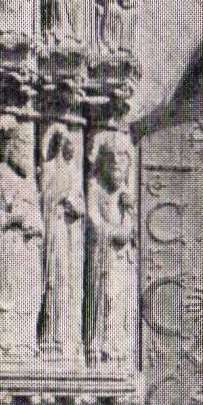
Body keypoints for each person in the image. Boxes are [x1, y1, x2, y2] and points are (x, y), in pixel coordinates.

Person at [0, 120, 44, 362]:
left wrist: (35, 225)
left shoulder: (29, 181)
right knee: (6, 293)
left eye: (30, 148)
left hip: (29, 247)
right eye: (23, 147)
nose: (27, 154)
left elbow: (39, 218)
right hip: (7, 243)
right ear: (10, 147)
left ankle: (25, 344)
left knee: (30, 293)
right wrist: (14, 219)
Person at [86, 140, 136, 365]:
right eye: (111, 158)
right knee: (106, 298)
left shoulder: (125, 195)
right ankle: (101, 349)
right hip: (103, 258)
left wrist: (128, 211)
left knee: (121, 302)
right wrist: (113, 233)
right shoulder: (95, 189)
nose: (116, 162)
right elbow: (94, 222)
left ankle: (118, 349)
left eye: (122, 159)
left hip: (121, 260)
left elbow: (127, 233)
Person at [40, 126, 86, 361]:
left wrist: (75, 207)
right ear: (60, 145)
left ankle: (70, 341)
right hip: (56, 229)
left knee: (71, 282)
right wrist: (60, 201)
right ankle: (52, 340)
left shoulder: (76, 173)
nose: (74, 149)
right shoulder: (49, 169)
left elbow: (82, 206)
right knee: (57, 280)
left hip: (72, 235)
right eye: (70, 144)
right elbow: (45, 200)